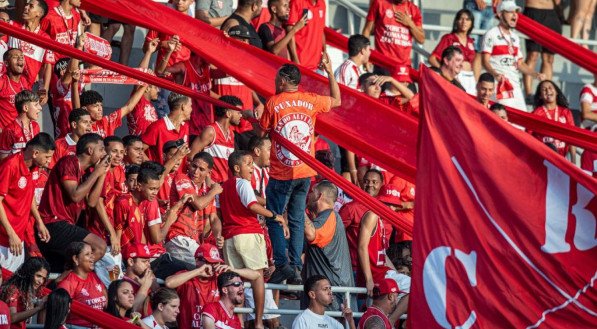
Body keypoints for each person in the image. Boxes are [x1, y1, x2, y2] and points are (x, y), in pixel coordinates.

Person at [259, 61, 340, 283]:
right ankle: (295, 266)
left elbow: (262, 130)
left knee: (275, 217)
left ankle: (283, 264)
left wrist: (252, 115)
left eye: (277, 79)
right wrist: (331, 73)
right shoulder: (310, 100)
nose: (275, 82)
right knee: (296, 219)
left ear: (284, 81)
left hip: (281, 173)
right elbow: (337, 100)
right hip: (305, 172)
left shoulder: (273, 103)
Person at [219, 150, 287, 328]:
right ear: (236, 167)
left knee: (236, 282)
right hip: (248, 234)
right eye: (248, 164)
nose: (251, 168)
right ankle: (258, 322)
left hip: (229, 238)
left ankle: (239, 323)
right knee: (257, 278)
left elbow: (219, 214)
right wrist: (275, 216)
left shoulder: (223, 187)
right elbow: (252, 205)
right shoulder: (243, 183)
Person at [37, 133, 110, 272]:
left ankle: (66, 280)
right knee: (99, 246)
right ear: (90, 150)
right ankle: (72, 277)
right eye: (101, 149)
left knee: (60, 270)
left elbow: (92, 202)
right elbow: (75, 196)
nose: (104, 153)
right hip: (53, 223)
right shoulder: (69, 161)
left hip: (66, 224)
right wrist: (97, 173)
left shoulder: (88, 171)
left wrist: (102, 174)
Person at [0, 133, 54, 272]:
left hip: (18, 237)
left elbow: (28, 196)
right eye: (47, 157)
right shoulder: (10, 165)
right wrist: (11, 234)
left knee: (13, 285)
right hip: (4, 238)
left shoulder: (34, 168)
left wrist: (39, 222)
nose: (49, 161)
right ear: (35, 153)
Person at [481, 0, 544, 112]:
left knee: (522, 120)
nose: (515, 15)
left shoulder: (515, 37)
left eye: (516, 12)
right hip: (501, 85)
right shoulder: (491, 34)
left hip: (515, 85)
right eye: (510, 11)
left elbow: (519, 64)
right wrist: (496, 75)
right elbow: (484, 61)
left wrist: (535, 74)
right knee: (506, 118)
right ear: (500, 14)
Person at [302, 181, 355, 310]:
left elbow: (311, 234)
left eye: (312, 192)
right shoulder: (324, 218)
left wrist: (297, 207)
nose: (308, 195)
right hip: (323, 294)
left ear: (319, 195)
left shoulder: (330, 216)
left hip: (332, 296)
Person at [165, 152, 222, 264]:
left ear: (208, 173)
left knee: (212, 268)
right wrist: (214, 191)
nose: (196, 172)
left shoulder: (207, 191)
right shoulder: (181, 178)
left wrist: (218, 236)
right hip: (178, 237)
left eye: (201, 169)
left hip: (194, 242)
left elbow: (214, 218)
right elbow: (198, 204)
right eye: (194, 166)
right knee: (204, 267)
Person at [362, 0, 424, 82]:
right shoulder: (380, 3)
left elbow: (421, 39)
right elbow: (367, 30)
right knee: (385, 94)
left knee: (410, 94)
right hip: (383, 64)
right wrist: (366, 56)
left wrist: (410, 24)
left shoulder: (413, 9)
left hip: (404, 68)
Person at [340, 169, 384, 274]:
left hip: (377, 270)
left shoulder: (383, 210)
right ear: (361, 182)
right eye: (366, 181)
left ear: (382, 184)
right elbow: (334, 232)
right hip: (355, 270)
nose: (369, 185)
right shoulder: (351, 208)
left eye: (374, 182)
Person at [191, 95, 244, 183]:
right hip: (212, 186)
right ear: (228, 113)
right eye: (238, 112)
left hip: (225, 186)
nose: (241, 115)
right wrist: (206, 179)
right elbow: (191, 156)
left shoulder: (231, 134)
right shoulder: (211, 131)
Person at [57, 242, 107, 328]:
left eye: (92, 253)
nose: (93, 257)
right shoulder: (67, 284)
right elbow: (59, 319)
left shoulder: (94, 277)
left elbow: (106, 305)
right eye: (87, 254)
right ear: (76, 259)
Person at [8, 0, 53, 95]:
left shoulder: (45, 38)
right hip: (8, 84)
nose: (26, 7)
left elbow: (48, 64)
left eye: (31, 6)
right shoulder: (12, 26)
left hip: (28, 89)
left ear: (39, 13)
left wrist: (45, 89)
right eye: (26, 5)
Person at [522, 0, 562, 103]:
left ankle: (546, 94)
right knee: (533, 55)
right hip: (533, 10)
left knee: (549, 58)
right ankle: (529, 94)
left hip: (551, 13)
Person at [430, 9, 477, 94]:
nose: (464, 22)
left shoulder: (471, 41)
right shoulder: (449, 38)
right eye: (461, 19)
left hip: (470, 77)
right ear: (456, 21)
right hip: (456, 75)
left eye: (467, 19)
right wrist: (447, 75)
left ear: (472, 23)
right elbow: (432, 59)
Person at [77, 86, 148, 138]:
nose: (100, 109)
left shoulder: (107, 121)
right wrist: (75, 82)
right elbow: (76, 107)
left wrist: (145, 84)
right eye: (95, 106)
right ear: (85, 108)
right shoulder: (80, 126)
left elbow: (128, 107)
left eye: (101, 105)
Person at [531, 80, 576, 162]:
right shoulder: (536, 113)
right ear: (540, 96)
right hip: (542, 160)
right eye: (544, 89)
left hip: (562, 160)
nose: (548, 90)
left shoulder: (566, 112)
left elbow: (572, 137)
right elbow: (528, 137)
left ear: (556, 92)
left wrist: (573, 161)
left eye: (550, 88)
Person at [141, 93, 191, 164]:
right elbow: (139, 151)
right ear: (183, 107)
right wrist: (153, 169)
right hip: (162, 174)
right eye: (190, 106)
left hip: (179, 175)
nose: (192, 109)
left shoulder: (185, 127)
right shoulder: (157, 127)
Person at [0, 257, 49, 329]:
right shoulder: (13, 289)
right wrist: (38, 308)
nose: (41, 281)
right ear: (29, 273)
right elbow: (12, 318)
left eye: (43, 278)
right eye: (38, 276)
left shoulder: (28, 291)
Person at [285, 0, 327, 70]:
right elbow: (290, 31)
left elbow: (321, 30)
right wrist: (295, 59)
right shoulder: (297, 2)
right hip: (301, 64)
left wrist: (324, 52)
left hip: (317, 66)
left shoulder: (322, 3)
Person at [0, 90, 41, 158]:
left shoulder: (35, 126)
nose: (40, 108)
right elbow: (3, 160)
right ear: (25, 108)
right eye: (36, 104)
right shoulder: (9, 130)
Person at [121, 243, 158, 318]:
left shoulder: (146, 279)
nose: (148, 265)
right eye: (144, 261)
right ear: (131, 262)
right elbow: (130, 313)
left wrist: (154, 285)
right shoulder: (122, 284)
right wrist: (145, 287)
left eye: (149, 261)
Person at [0, 49, 32, 131]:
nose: (20, 59)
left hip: (24, 132)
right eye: (15, 57)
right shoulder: (2, 82)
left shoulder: (25, 81)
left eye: (22, 57)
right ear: (6, 63)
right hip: (6, 134)